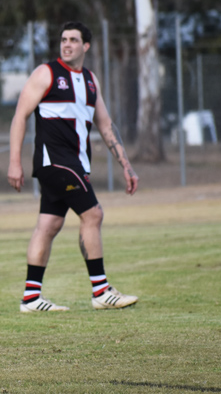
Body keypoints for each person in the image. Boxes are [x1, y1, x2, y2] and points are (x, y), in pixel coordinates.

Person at [7, 21, 139, 313]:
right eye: (64, 39)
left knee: (49, 224)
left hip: (76, 163)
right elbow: (20, 116)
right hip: (55, 162)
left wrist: (127, 166)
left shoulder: (91, 80)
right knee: (93, 214)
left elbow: (106, 126)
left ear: (86, 46)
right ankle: (101, 290)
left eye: (73, 40)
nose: (67, 44)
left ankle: (31, 298)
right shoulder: (46, 73)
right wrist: (14, 161)